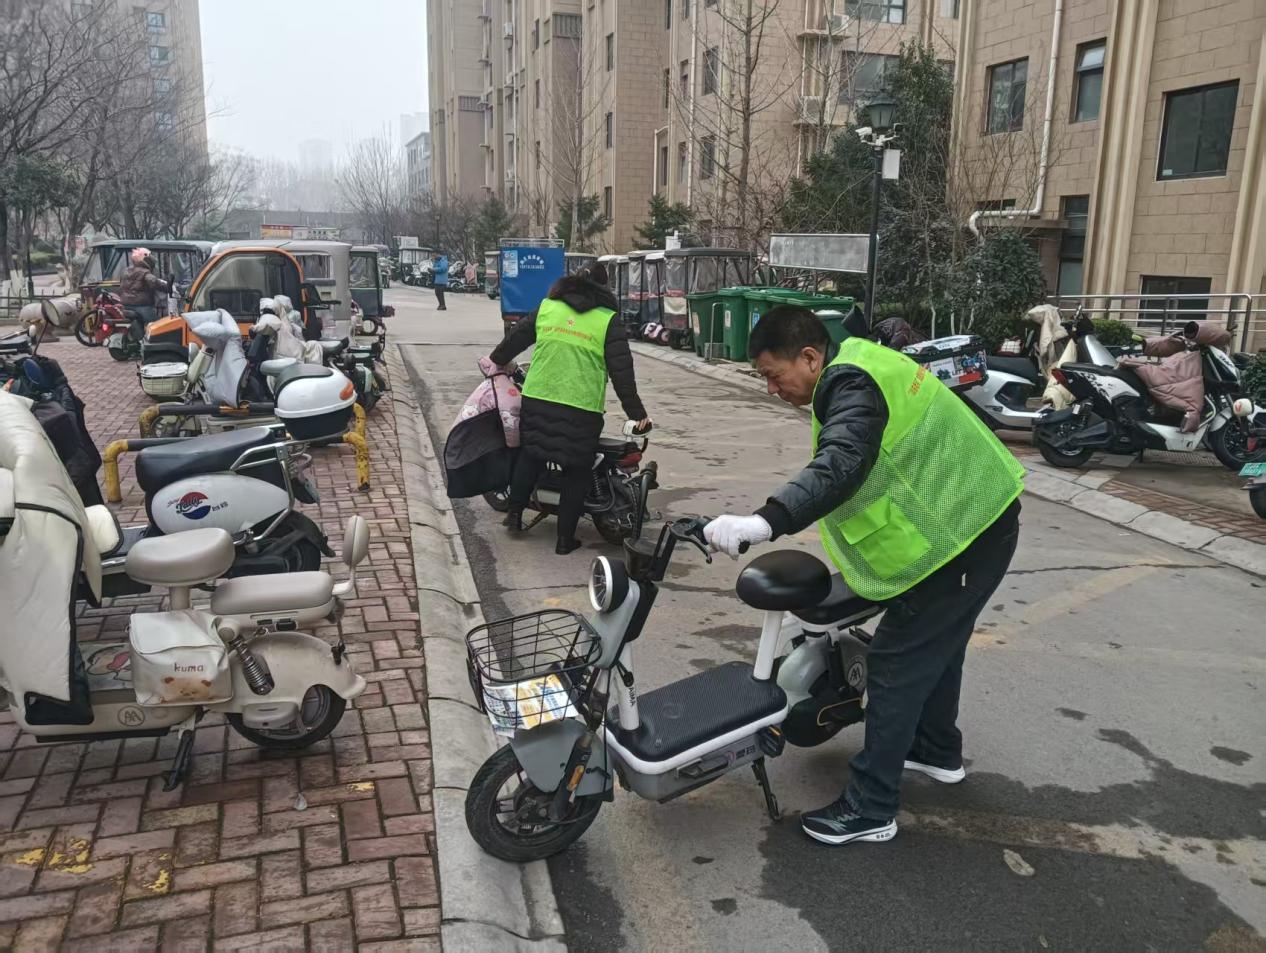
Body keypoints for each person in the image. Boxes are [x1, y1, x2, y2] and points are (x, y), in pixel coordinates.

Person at [704, 305, 1024, 847]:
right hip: (974, 524)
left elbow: (842, 461)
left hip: (965, 536)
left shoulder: (851, 382)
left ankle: (870, 808)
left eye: (774, 376)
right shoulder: (858, 364)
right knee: (938, 648)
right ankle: (936, 751)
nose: (771, 390)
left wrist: (765, 521)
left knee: (896, 664)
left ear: (810, 357)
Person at [489, 263, 650, 555]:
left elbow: (515, 339)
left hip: (539, 399)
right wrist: (637, 414)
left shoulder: (548, 308)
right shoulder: (607, 320)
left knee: (531, 455)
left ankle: (514, 515)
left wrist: (497, 359)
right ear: (604, 288)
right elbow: (622, 374)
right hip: (582, 408)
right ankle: (564, 540)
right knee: (577, 471)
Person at [119, 247, 169, 325]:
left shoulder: (126, 271)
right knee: (158, 324)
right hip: (141, 306)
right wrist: (167, 287)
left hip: (125, 305)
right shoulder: (145, 272)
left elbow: (121, 284)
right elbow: (153, 281)